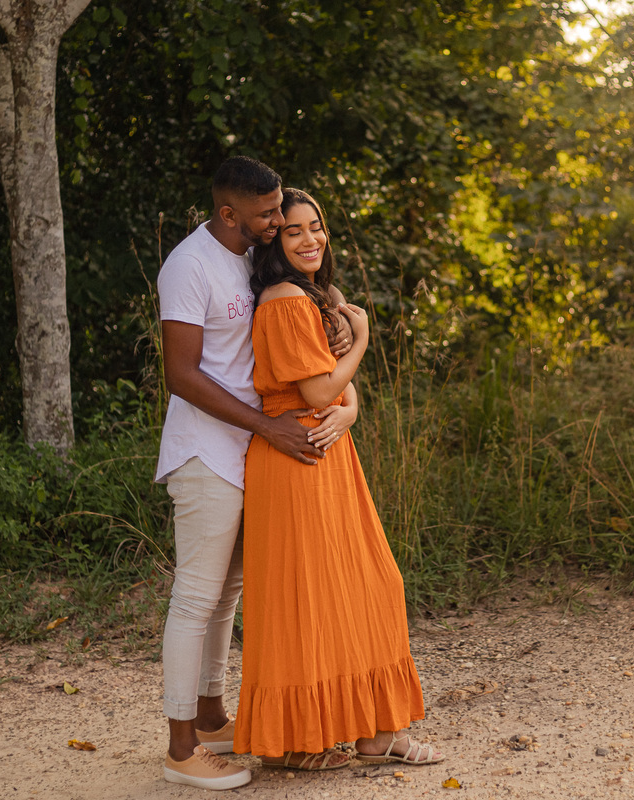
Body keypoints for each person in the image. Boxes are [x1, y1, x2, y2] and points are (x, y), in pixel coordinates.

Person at [153, 158, 355, 790]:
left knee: (227, 595)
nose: (278, 221)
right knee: (194, 597)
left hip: (250, 450)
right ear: (228, 214)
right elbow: (181, 375)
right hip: (206, 452)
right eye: (267, 213)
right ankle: (181, 749)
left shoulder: (247, 257)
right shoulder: (188, 267)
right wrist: (268, 427)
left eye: (280, 211)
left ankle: (212, 718)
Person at [233, 188, 444, 770]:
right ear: (273, 242)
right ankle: (298, 741)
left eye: (316, 227)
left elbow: (334, 386)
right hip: (296, 458)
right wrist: (364, 349)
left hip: (329, 450)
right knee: (310, 599)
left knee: (369, 584)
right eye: (294, 231)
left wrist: (350, 408)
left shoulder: (317, 297)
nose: (310, 240)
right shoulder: (283, 300)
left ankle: (378, 734)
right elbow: (320, 389)